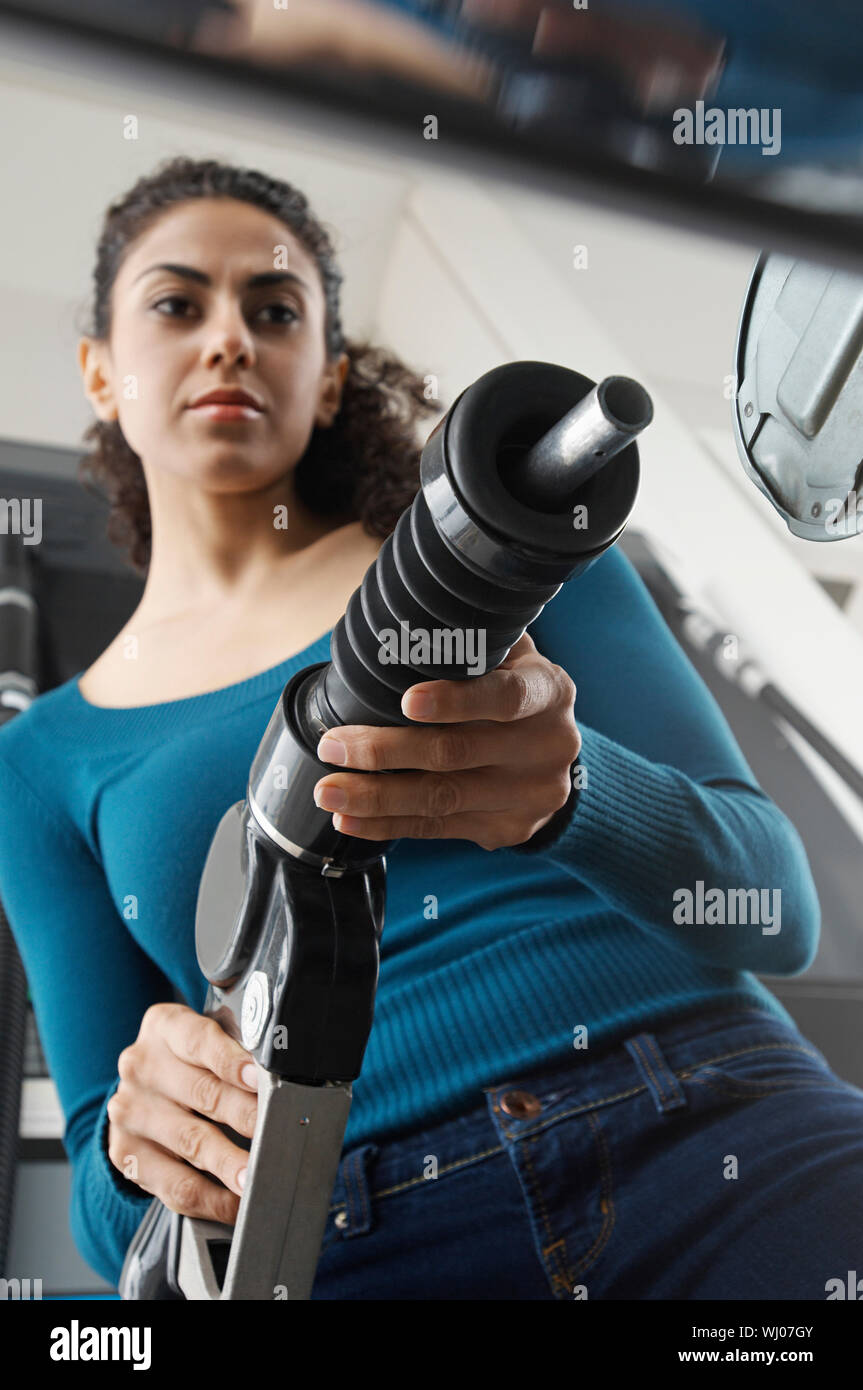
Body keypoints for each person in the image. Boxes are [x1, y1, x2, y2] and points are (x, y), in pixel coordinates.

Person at [0, 156, 860, 1302]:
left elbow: (773, 909)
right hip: (343, 1239)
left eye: (275, 309)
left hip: (720, 1134)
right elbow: (111, 1221)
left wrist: (575, 796)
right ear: (100, 371)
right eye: (176, 304)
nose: (230, 339)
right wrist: (138, 1139)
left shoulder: (519, 566)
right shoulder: (37, 764)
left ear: (328, 377)